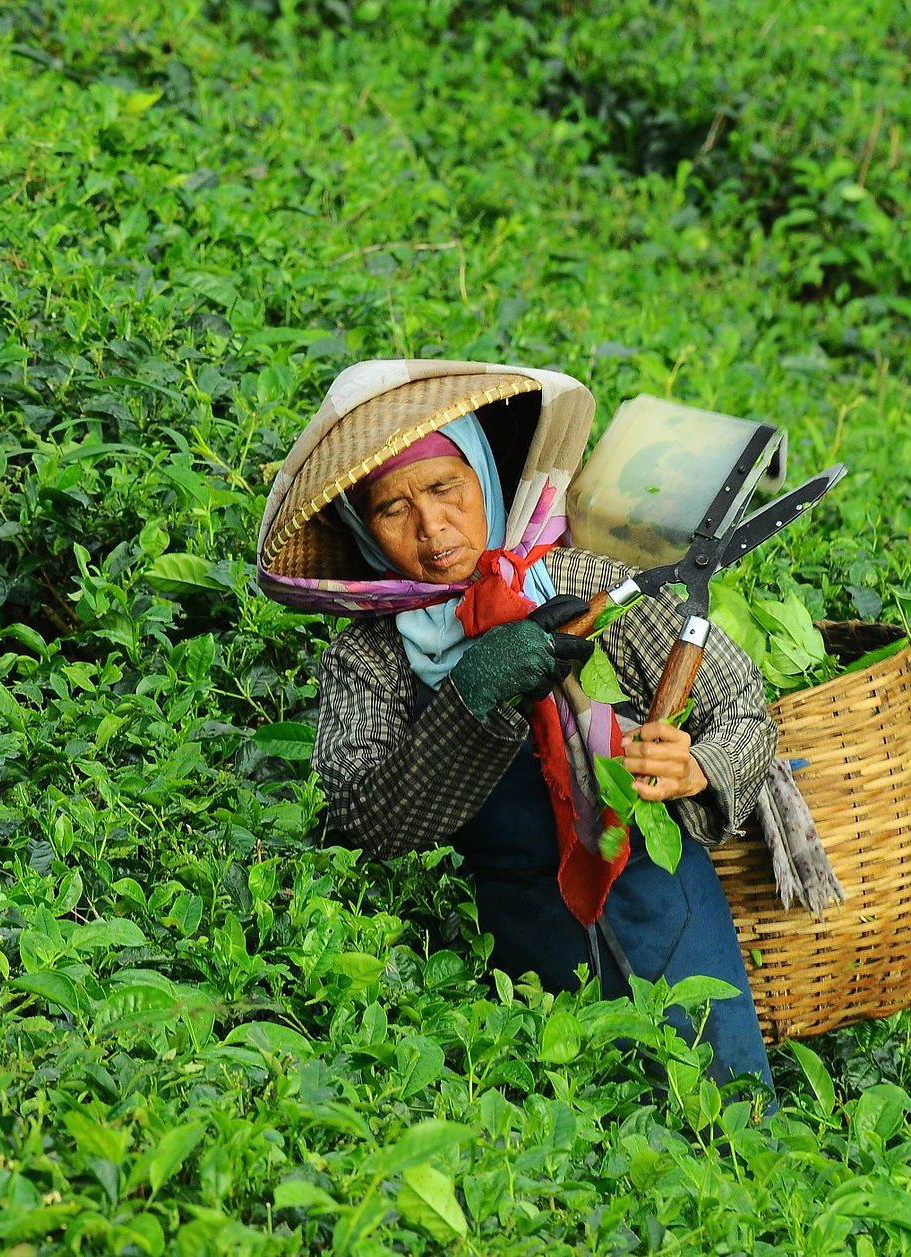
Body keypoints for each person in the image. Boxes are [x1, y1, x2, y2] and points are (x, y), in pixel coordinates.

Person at [256, 361, 776, 1089]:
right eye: (391, 508)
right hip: (526, 946)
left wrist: (700, 765)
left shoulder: (580, 581)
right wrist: (471, 692)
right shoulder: (369, 657)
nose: (431, 527)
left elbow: (739, 700)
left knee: (731, 1119)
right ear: (361, 527)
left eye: (444, 488)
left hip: (672, 912)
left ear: (484, 477)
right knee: (579, 1144)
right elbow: (363, 814)